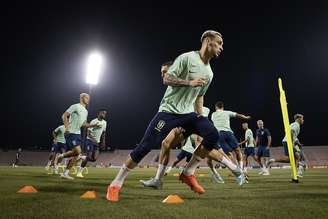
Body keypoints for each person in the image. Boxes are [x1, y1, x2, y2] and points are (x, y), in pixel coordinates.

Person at [107, 30, 245, 202]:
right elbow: (167, 79)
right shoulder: (186, 58)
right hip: (168, 111)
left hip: (189, 114)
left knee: (212, 134)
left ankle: (188, 173)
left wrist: (200, 118)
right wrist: (189, 83)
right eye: (219, 43)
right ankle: (115, 184)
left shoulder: (209, 73)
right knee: (146, 146)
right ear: (208, 41)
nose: (221, 47)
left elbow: (200, 95)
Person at [76, 109, 107, 178]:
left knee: (94, 159)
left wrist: (103, 142)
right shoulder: (94, 121)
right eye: (103, 113)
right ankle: (79, 172)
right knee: (88, 156)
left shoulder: (105, 122)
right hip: (89, 140)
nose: (104, 115)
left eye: (105, 114)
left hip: (97, 142)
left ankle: (81, 157)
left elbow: (104, 133)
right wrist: (93, 139)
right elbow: (88, 133)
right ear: (99, 113)